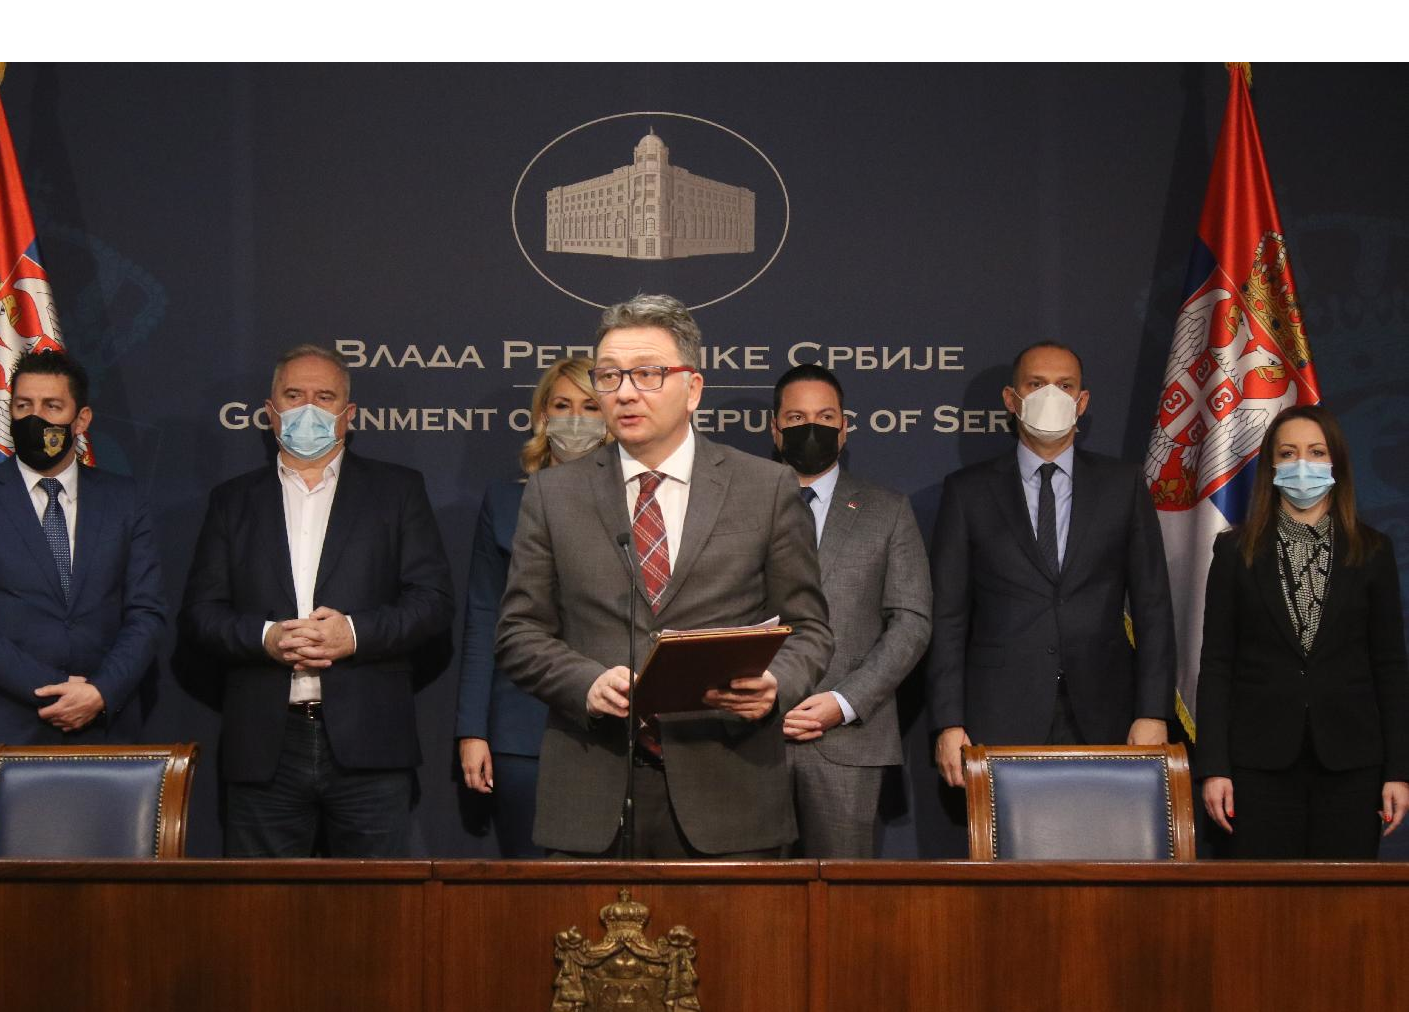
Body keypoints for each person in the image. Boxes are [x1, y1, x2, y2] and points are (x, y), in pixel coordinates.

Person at [495, 294, 832, 859]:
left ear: (692, 388)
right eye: (609, 376)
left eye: (647, 373)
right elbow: (518, 632)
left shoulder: (765, 487)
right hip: (592, 790)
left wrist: (777, 685)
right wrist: (584, 683)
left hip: (730, 791)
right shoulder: (554, 494)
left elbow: (809, 628)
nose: (625, 392)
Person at [182, 344, 454, 857]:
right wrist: (267, 638)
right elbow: (201, 614)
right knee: (262, 902)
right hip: (264, 745)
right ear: (271, 411)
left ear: (348, 414)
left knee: (376, 900)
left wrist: (352, 633)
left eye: (324, 397)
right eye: (294, 395)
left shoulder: (397, 491)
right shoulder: (232, 500)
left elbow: (433, 601)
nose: (308, 408)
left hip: (370, 743)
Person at [930, 341, 1175, 787]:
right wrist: (949, 722)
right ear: (1011, 399)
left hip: (1106, 711)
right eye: (1036, 384)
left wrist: (1153, 712)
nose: (1051, 396)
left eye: (1065, 386)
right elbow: (947, 615)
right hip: (999, 713)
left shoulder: (1122, 485)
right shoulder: (968, 492)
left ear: (1082, 401)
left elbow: (1153, 607)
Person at [0, 351, 165, 776]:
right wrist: (53, 689)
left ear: (81, 419)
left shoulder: (124, 499)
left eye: (51, 406)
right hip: (5, 732)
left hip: (105, 730)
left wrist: (100, 691)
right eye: (23, 406)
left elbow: (146, 613)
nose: (34, 418)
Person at [1196, 404, 1409, 858]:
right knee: (1262, 899)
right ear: (1271, 466)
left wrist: (1399, 771)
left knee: (1342, 899)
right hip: (1257, 765)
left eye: (1316, 452)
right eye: (1288, 453)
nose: (1302, 464)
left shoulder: (1373, 550)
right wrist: (1214, 767)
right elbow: (1216, 665)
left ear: (1336, 463)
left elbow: (1390, 666)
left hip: (1352, 764)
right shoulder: (1235, 551)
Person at [771, 363, 932, 857]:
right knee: (751, 896)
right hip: (754, 739)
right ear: (776, 430)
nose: (811, 428)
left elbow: (911, 621)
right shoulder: (739, 506)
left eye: (825, 417)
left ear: (844, 428)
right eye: (796, 418)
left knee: (840, 895)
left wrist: (843, 702)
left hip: (848, 741)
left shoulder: (888, 510)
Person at [455, 356, 609, 857]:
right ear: (542, 416)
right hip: (521, 728)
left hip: (610, 722)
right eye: (562, 405)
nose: (576, 418)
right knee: (528, 881)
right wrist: (473, 730)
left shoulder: (639, 502)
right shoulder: (504, 502)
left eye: (590, 406)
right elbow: (483, 618)